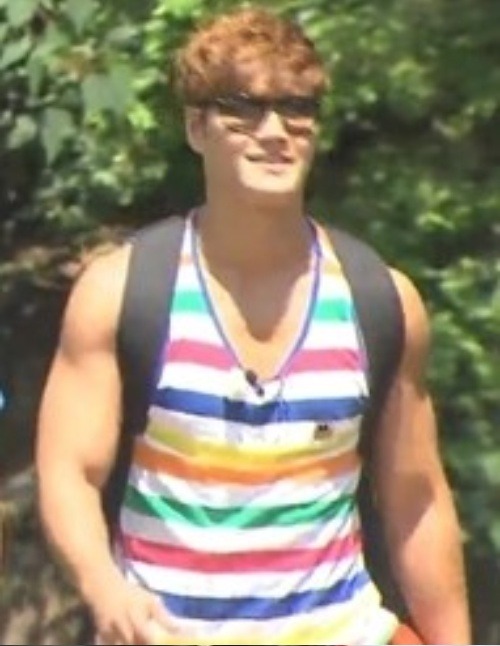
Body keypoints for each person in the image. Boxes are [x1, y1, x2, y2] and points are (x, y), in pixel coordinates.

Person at [35, 6, 471, 645]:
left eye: (296, 108)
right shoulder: (123, 292)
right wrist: (105, 589)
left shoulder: (380, 300)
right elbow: (69, 472)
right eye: (242, 108)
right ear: (196, 127)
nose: (274, 131)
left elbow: (417, 500)